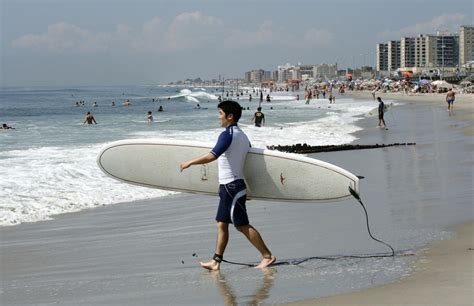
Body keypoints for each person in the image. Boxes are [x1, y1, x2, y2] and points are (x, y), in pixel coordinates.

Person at [180, 100, 275, 271]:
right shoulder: (244, 136)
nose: (218, 118)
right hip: (231, 186)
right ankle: (216, 262)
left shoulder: (227, 134)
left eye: (220, 114)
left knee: (241, 225)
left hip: (231, 186)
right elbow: (249, 163)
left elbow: (213, 155)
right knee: (222, 223)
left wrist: (190, 162)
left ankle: (267, 256)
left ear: (230, 116)